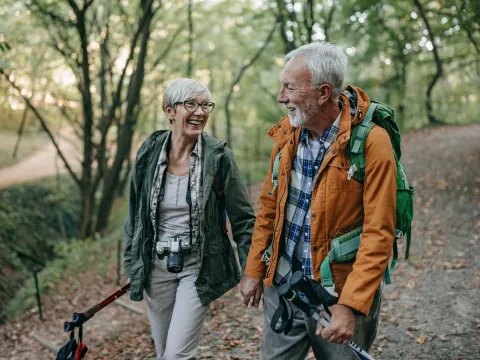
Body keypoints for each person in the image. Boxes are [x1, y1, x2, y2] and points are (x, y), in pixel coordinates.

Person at [239, 42, 396, 359]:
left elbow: (379, 233)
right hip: (283, 287)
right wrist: (254, 269)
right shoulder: (287, 133)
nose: (281, 97)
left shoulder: (372, 143)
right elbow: (269, 209)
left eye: (290, 88)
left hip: (337, 298)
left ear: (324, 93)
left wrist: (350, 306)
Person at [124, 78, 255, 360]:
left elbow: (244, 219)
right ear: (169, 110)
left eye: (205, 105)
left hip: (198, 265)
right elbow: (134, 214)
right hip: (155, 266)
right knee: (165, 353)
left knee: (177, 355)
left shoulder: (219, 157)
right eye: (191, 104)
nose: (200, 112)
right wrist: (131, 262)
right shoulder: (149, 153)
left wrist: (251, 271)